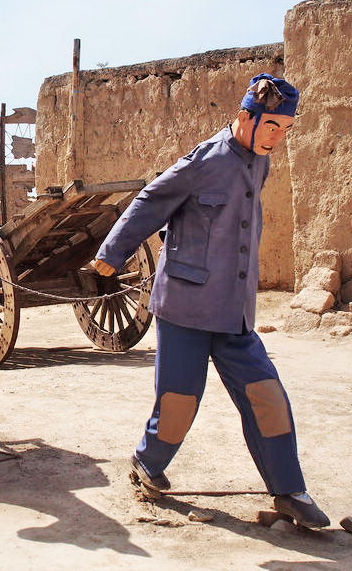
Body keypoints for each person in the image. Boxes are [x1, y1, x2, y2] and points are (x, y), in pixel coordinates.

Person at [90, 73, 330, 529]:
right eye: (272, 127)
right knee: (179, 402)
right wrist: (112, 254)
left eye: (285, 129)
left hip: (233, 309)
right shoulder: (206, 159)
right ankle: (147, 464)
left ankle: (290, 490)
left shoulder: (260, 160)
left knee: (268, 398)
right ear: (246, 117)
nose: (277, 138)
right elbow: (152, 200)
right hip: (184, 306)